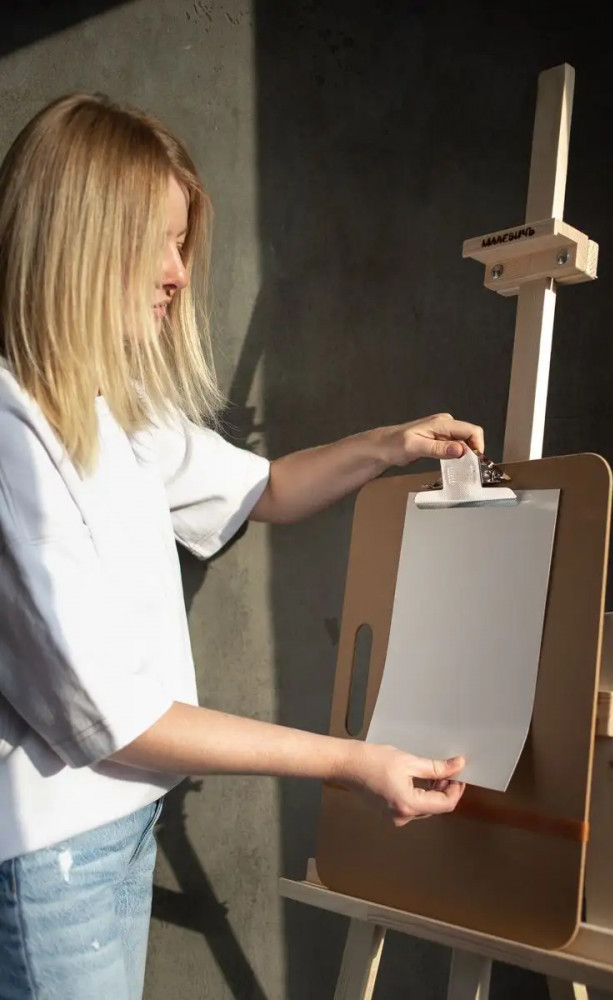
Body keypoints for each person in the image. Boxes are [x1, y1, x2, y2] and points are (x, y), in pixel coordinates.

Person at [0, 93, 481, 1000]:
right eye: (160, 241)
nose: (179, 274)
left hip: (115, 834)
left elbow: (269, 487)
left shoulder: (112, 408)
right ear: (79, 236)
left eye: (183, 244)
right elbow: (118, 722)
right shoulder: (13, 435)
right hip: (50, 858)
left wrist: (391, 445)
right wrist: (351, 761)